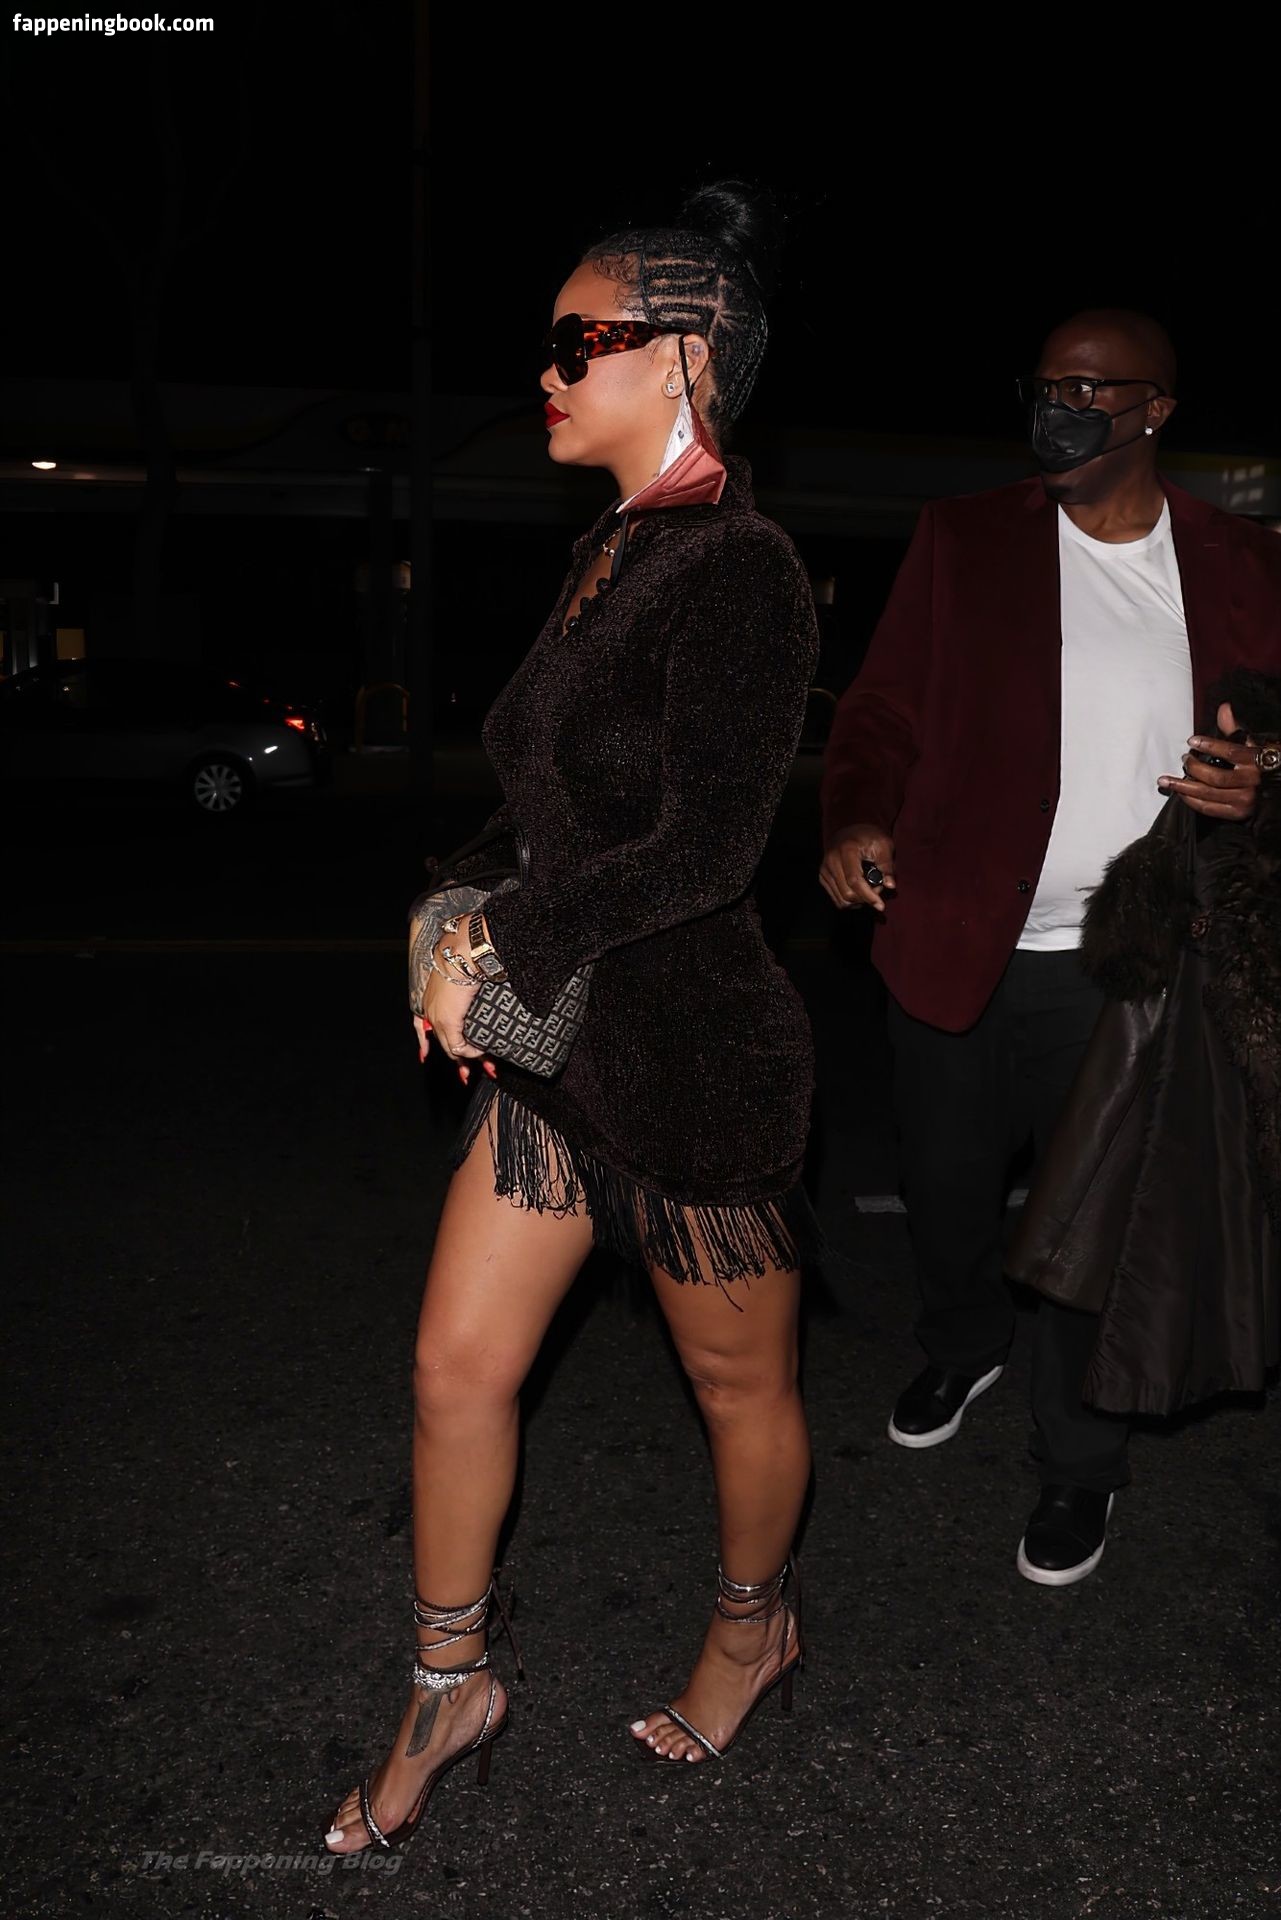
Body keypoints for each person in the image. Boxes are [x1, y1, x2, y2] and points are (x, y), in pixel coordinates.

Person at [324, 182, 822, 1858]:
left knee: (737, 1389)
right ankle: (446, 1683)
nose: (543, 372)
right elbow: (540, 812)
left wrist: (504, 940)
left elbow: (706, 851)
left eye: (574, 341)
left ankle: (752, 1627)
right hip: (565, 1059)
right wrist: (452, 913)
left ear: (678, 356)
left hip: (696, 1067)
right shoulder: (608, 551)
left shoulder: (742, 569)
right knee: (453, 1369)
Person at [819, 309, 1281, 1586]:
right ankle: (963, 1341)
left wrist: (1267, 775)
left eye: (1089, 390)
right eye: (1044, 386)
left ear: (1155, 409)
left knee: (1094, 1227)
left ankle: (1081, 1463)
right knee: (948, 1193)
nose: (1057, 410)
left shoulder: (1242, 558)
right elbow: (882, 708)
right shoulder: (966, 538)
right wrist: (855, 814)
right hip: (953, 931)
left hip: (1132, 963)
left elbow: (1279, 732)